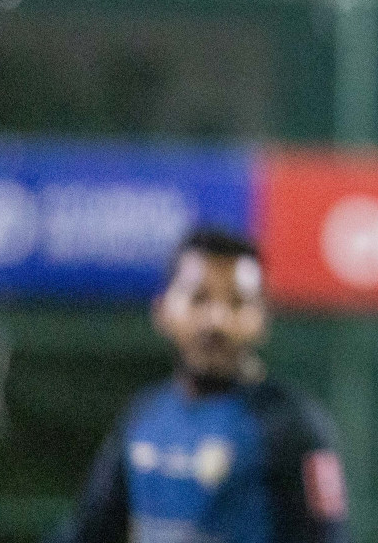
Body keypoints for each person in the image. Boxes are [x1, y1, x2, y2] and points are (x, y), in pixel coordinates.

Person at [59, 229, 349, 543]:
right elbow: (89, 529)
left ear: (262, 319)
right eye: (199, 297)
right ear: (163, 310)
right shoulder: (144, 414)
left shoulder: (294, 424)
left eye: (237, 303)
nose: (216, 320)